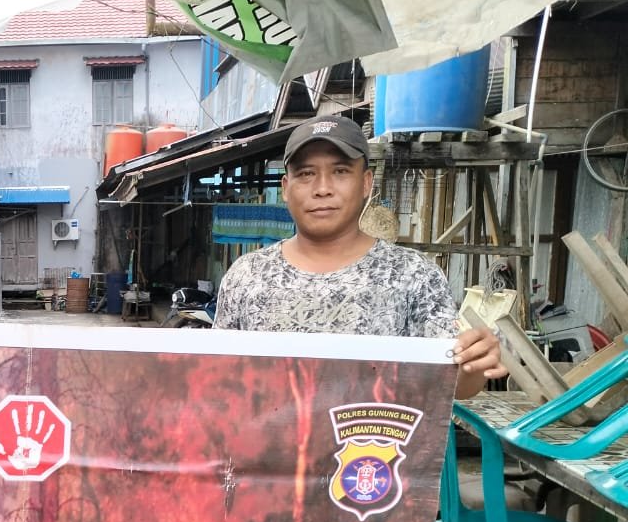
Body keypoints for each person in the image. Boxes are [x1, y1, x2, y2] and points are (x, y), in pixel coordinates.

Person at [213, 114, 504, 398]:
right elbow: (217, 378)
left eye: (340, 172)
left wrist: (474, 363)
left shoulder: (413, 275)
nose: (322, 189)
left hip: (371, 432)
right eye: (306, 174)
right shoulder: (247, 276)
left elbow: (454, 384)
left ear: (366, 183)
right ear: (286, 188)